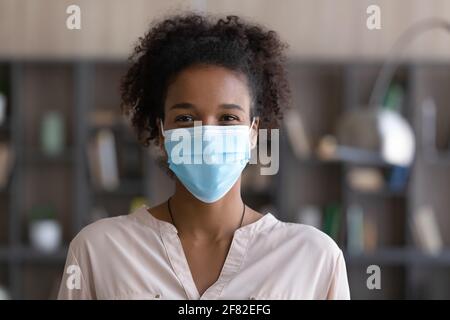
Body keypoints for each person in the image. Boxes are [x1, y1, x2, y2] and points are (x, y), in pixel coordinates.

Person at [57, 13, 350, 300]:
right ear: (161, 132)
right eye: (185, 117)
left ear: (252, 131)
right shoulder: (98, 252)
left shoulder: (314, 259)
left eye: (227, 117)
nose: (207, 135)